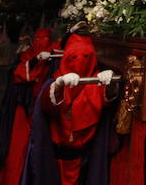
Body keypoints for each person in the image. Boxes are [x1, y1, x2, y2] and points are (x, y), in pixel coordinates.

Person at [21, 33, 114, 185]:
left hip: (86, 160)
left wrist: (110, 84)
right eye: (73, 57)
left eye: (85, 57)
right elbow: (47, 103)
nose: (80, 62)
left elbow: (106, 99)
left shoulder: (95, 83)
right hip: (56, 161)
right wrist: (59, 85)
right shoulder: (54, 82)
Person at [0, 27, 57, 185]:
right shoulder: (26, 56)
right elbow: (21, 74)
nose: (40, 43)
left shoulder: (52, 55)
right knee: (18, 148)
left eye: (44, 39)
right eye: (38, 39)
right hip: (23, 111)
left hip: (41, 112)